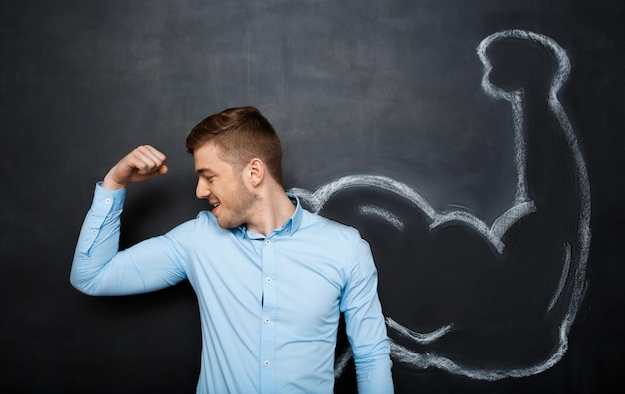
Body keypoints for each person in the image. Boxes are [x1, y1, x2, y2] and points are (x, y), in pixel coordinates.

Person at [70, 106, 394, 394]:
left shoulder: (345, 248)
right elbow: (92, 276)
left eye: (208, 176)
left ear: (254, 173)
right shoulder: (197, 240)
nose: (200, 191)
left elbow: (371, 357)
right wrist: (115, 183)